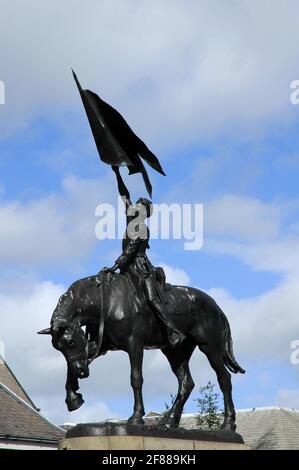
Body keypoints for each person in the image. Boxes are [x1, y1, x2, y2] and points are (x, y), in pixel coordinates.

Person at [107, 196, 185, 347]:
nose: (136, 207)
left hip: (140, 267)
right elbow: (125, 197)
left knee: (151, 298)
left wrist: (114, 266)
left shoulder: (141, 227)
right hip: (127, 266)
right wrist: (117, 173)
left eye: (140, 207)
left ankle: (172, 330)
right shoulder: (131, 223)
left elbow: (130, 251)